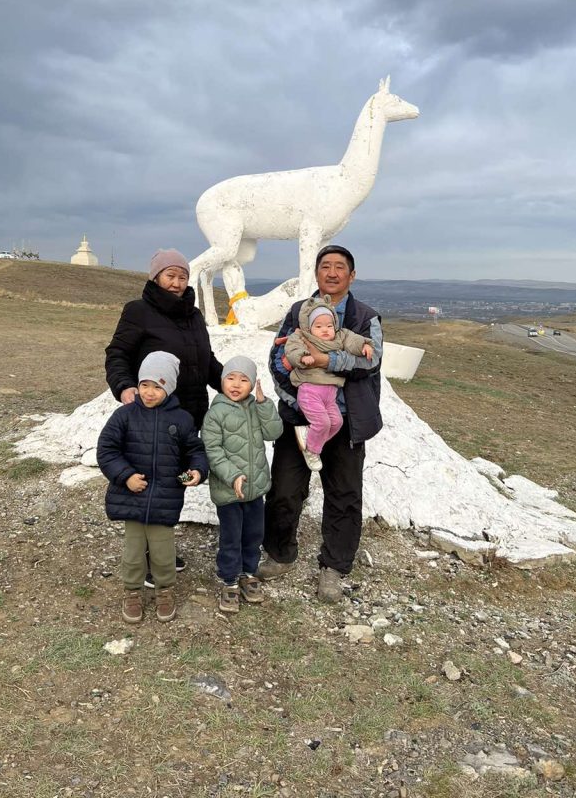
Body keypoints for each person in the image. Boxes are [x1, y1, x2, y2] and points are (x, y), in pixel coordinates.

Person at [259, 245, 383, 602]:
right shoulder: (298, 311)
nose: (332, 272)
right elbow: (277, 357)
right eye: (325, 266)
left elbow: (371, 362)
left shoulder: (365, 317)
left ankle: (334, 566)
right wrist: (295, 398)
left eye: (339, 267)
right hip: (301, 416)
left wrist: (327, 361)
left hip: (346, 420)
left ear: (351, 275)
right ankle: (280, 553)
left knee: (344, 494)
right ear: (316, 273)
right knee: (284, 489)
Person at [105, 248, 222, 584]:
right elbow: (117, 354)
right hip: (148, 416)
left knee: (172, 485)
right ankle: (143, 559)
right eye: (170, 275)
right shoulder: (138, 311)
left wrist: (231, 383)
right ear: (155, 277)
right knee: (146, 482)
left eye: (183, 276)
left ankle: (160, 550)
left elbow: (206, 362)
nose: (177, 282)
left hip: (186, 416)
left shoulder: (194, 316)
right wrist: (124, 386)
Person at [97, 351, 208, 624]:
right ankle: (132, 592)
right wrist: (126, 476)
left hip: (165, 498)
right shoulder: (124, 415)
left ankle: (164, 590)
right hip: (132, 496)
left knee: (163, 551)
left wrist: (196, 471)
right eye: (144, 384)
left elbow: (195, 451)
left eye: (157, 386)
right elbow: (107, 450)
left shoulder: (181, 419)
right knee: (133, 552)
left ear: (169, 388)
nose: (149, 392)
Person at [202, 357, 283, 613]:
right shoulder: (215, 414)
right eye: (231, 378)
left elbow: (274, 433)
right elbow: (213, 452)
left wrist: (264, 404)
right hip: (228, 491)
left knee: (253, 534)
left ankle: (249, 573)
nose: (236, 384)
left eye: (244, 379)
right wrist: (233, 476)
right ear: (222, 381)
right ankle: (229, 580)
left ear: (253, 384)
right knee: (231, 537)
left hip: (254, 488)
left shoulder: (257, 408)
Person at [283, 295, 373, 471]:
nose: (325, 330)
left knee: (336, 422)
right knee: (323, 423)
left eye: (329, 325)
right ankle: (312, 450)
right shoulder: (301, 336)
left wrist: (364, 345)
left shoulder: (340, 336)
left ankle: (309, 439)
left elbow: (353, 340)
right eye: (318, 326)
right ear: (309, 326)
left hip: (330, 395)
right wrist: (302, 357)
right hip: (310, 390)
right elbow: (292, 350)